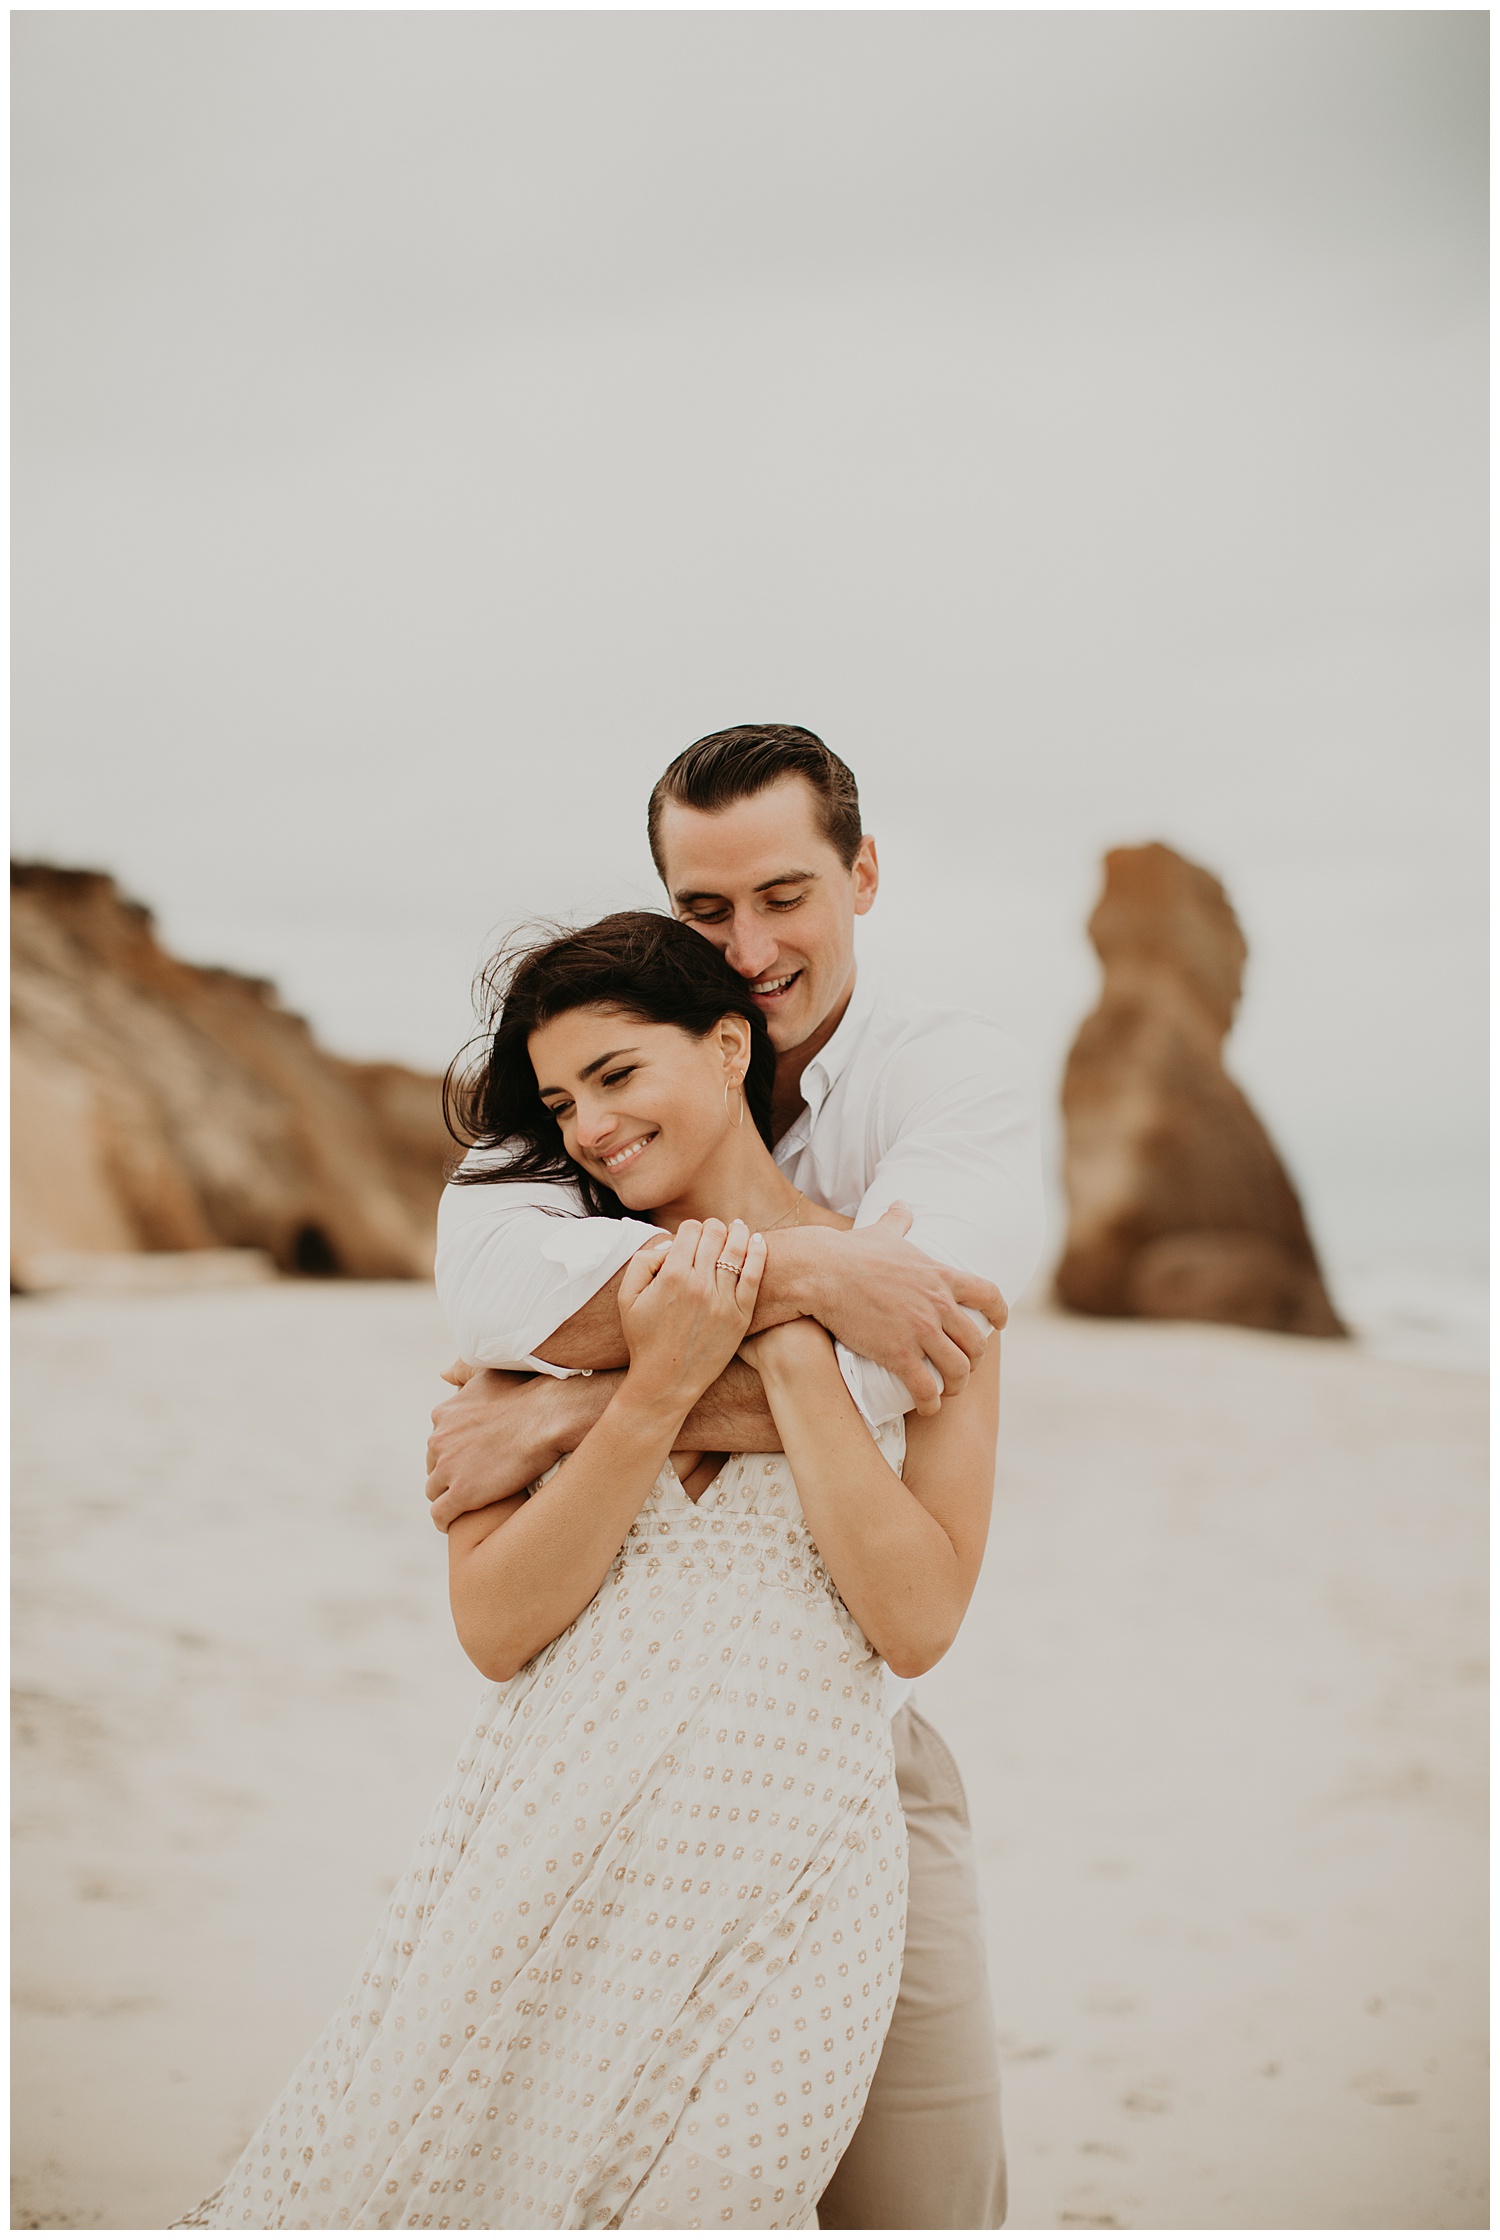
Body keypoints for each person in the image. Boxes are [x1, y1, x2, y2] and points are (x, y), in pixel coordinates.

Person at [177, 913, 1000, 2231]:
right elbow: (497, 1631)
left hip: (795, 1861)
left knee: (723, 2189)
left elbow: (913, 1620)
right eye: (562, 1101)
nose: (591, 1127)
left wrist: (785, 1338)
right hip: (550, 1841)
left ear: (729, 1046)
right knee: (456, 2175)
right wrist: (650, 1388)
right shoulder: (536, 1322)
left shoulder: (911, 1303)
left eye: (618, 1075)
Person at [427, 725, 1045, 2229]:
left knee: (923, 2205)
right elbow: (498, 1297)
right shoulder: (566, 1127)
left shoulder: (939, 1075)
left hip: (847, 1763)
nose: (754, 949)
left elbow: (916, 1353)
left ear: (864, 876)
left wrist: (558, 1418)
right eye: (709, 913)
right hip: (600, 1779)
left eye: (787, 896)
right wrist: (816, 1277)